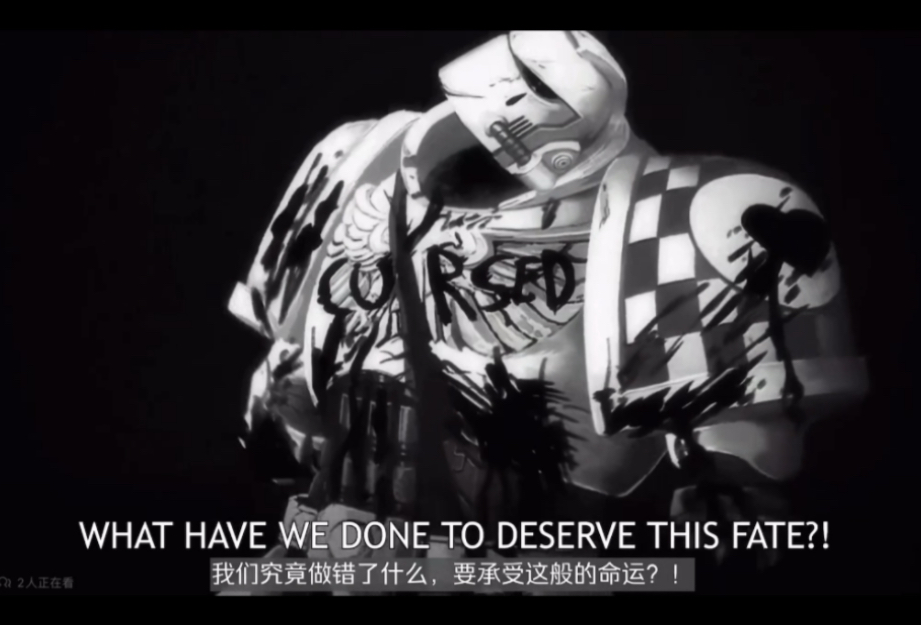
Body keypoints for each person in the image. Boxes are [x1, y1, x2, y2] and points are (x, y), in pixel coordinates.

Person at [227, 31, 867, 570]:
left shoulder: (682, 219)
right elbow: (281, 394)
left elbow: (745, 482)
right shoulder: (358, 161)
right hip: (335, 546)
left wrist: (723, 491)